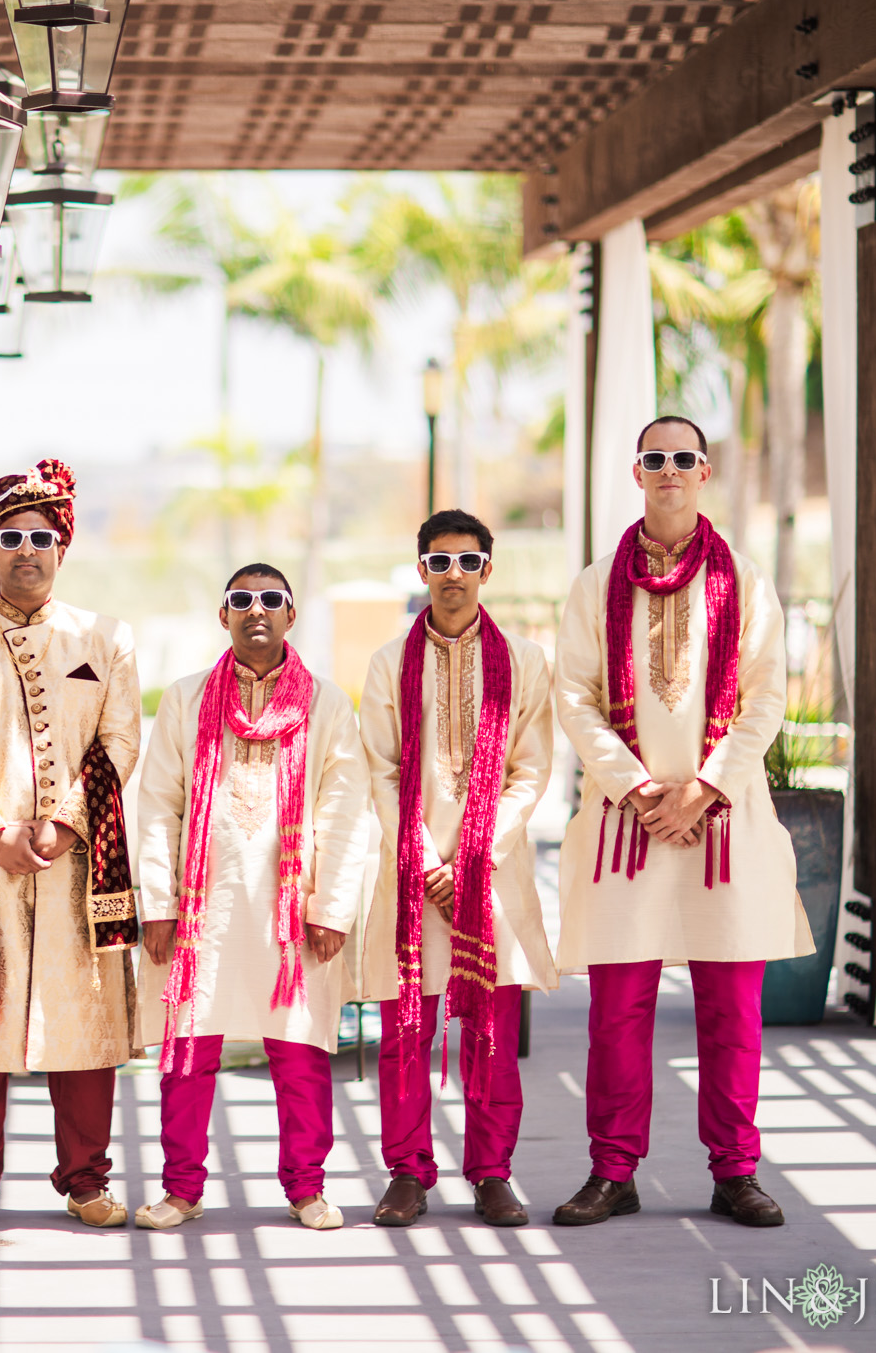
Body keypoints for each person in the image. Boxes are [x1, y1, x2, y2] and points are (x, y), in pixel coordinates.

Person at [552, 416, 812, 1228]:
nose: (669, 470)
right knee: (617, 1009)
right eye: (654, 459)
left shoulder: (746, 578)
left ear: (705, 472)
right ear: (637, 473)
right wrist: (635, 788)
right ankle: (613, 1170)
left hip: (721, 822)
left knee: (731, 1010)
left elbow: (765, 695)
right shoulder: (597, 583)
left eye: (683, 459)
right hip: (628, 826)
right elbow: (573, 696)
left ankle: (735, 1170)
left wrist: (703, 787)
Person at [0, 459, 142, 1230]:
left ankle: (86, 1181)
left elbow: (120, 739)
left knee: (81, 1019)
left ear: (62, 546)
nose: (25, 550)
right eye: (9, 537)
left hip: (77, 863)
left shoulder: (106, 638)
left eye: (40, 537)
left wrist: (67, 819)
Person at [132, 563, 372, 1233]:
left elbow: (345, 810)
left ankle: (307, 1186)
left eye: (272, 599)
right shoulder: (183, 699)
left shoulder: (326, 704)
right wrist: (158, 900)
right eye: (242, 599)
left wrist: (331, 908)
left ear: (291, 615)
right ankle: (181, 1189)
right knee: (188, 1050)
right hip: (202, 909)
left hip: (291, 910)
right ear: (223, 616)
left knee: (298, 1051)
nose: (256, 608)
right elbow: (158, 804)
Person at [357, 510, 557, 1228]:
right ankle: (408, 1170)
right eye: (439, 562)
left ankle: (493, 1171)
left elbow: (531, 774)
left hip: (491, 878)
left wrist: (473, 857)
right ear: (421, 571)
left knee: (492, 1034)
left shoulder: (526, 662)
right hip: (410, 880)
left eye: (466, 562)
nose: (453, 575)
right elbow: (377, 769)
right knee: (406, 1030)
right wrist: (421, 854)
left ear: (486, 571)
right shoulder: (387, 663)